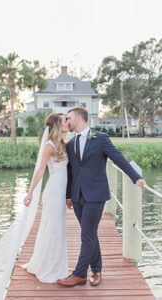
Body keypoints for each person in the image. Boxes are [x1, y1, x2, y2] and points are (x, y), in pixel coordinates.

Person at [57, 107, 146, 288]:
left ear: (79, 118)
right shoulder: (71, 144)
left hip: (96, 194)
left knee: (87, 234)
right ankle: (97, 270)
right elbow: (71, 172)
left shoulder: (101, 138)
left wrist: (135, 177)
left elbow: (118, 158)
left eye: (69, 118)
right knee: (89, 234)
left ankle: (79, 274)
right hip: (77, 195)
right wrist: (68, 195)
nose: (67, 121)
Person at [22, 112, 69, 283]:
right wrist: (30, 192)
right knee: (52, 228)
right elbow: (40, 170)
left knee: (58, 229)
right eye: (65, 121)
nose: (67, 123)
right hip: (54, 191)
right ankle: (49, 268)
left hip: (62, 191)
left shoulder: (63, 143)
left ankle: (56, 265)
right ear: (58, 125)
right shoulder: (49, 145)